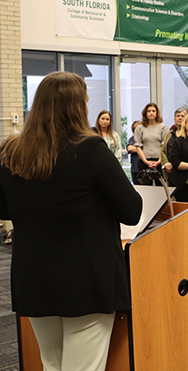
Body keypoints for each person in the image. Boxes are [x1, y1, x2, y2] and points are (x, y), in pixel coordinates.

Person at [0, 71, 142, 371]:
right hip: (86, 280)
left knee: (52, 364)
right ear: (78, 107)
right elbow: (131, 210)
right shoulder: (90, 149)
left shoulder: (10, 151)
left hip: (34, 277)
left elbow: (5, 208)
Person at [135, 103, 169, 185]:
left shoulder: (163, 127)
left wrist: (159, 161)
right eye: (149, 111)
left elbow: (164, 146)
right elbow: (138, 147)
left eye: (153, 111)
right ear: (145, 113)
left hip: (159, 162)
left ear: (157, 113)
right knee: (146, 189)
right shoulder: (140, 128)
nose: (151, 113)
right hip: (144, 162)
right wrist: (146, 162)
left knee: (161, 189)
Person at [161, 107, 188, 183]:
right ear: (174, 119)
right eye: (177, 116)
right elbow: (163, 150)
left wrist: (175, 164)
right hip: (169, 170)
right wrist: (166, 163)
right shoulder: (170, 133)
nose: (180, 118)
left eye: (182, 116)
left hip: (183, 169)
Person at [126, 120, 141, 185]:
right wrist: (141, 149)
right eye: (135, 129)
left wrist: (135, 149)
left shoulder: (146, 139)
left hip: (145, 168)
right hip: (135, 168)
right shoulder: (132, 139)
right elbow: (129, 148)